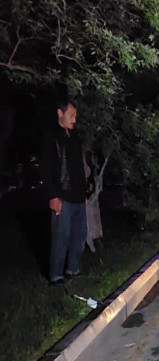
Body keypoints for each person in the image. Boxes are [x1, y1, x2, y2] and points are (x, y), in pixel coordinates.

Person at [39, 100, 87, 284]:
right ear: (60, 113)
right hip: (62, 196)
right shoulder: (51, 137)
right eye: (72, 115)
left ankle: (73, 269)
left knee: (79, 235)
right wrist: (52, 195)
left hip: (78, 197)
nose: (75, 119)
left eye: (75, 116)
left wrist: (83, 191)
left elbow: (78, 168)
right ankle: (56, 275)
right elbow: (44, 168)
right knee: (61, 237)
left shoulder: (74, 138)